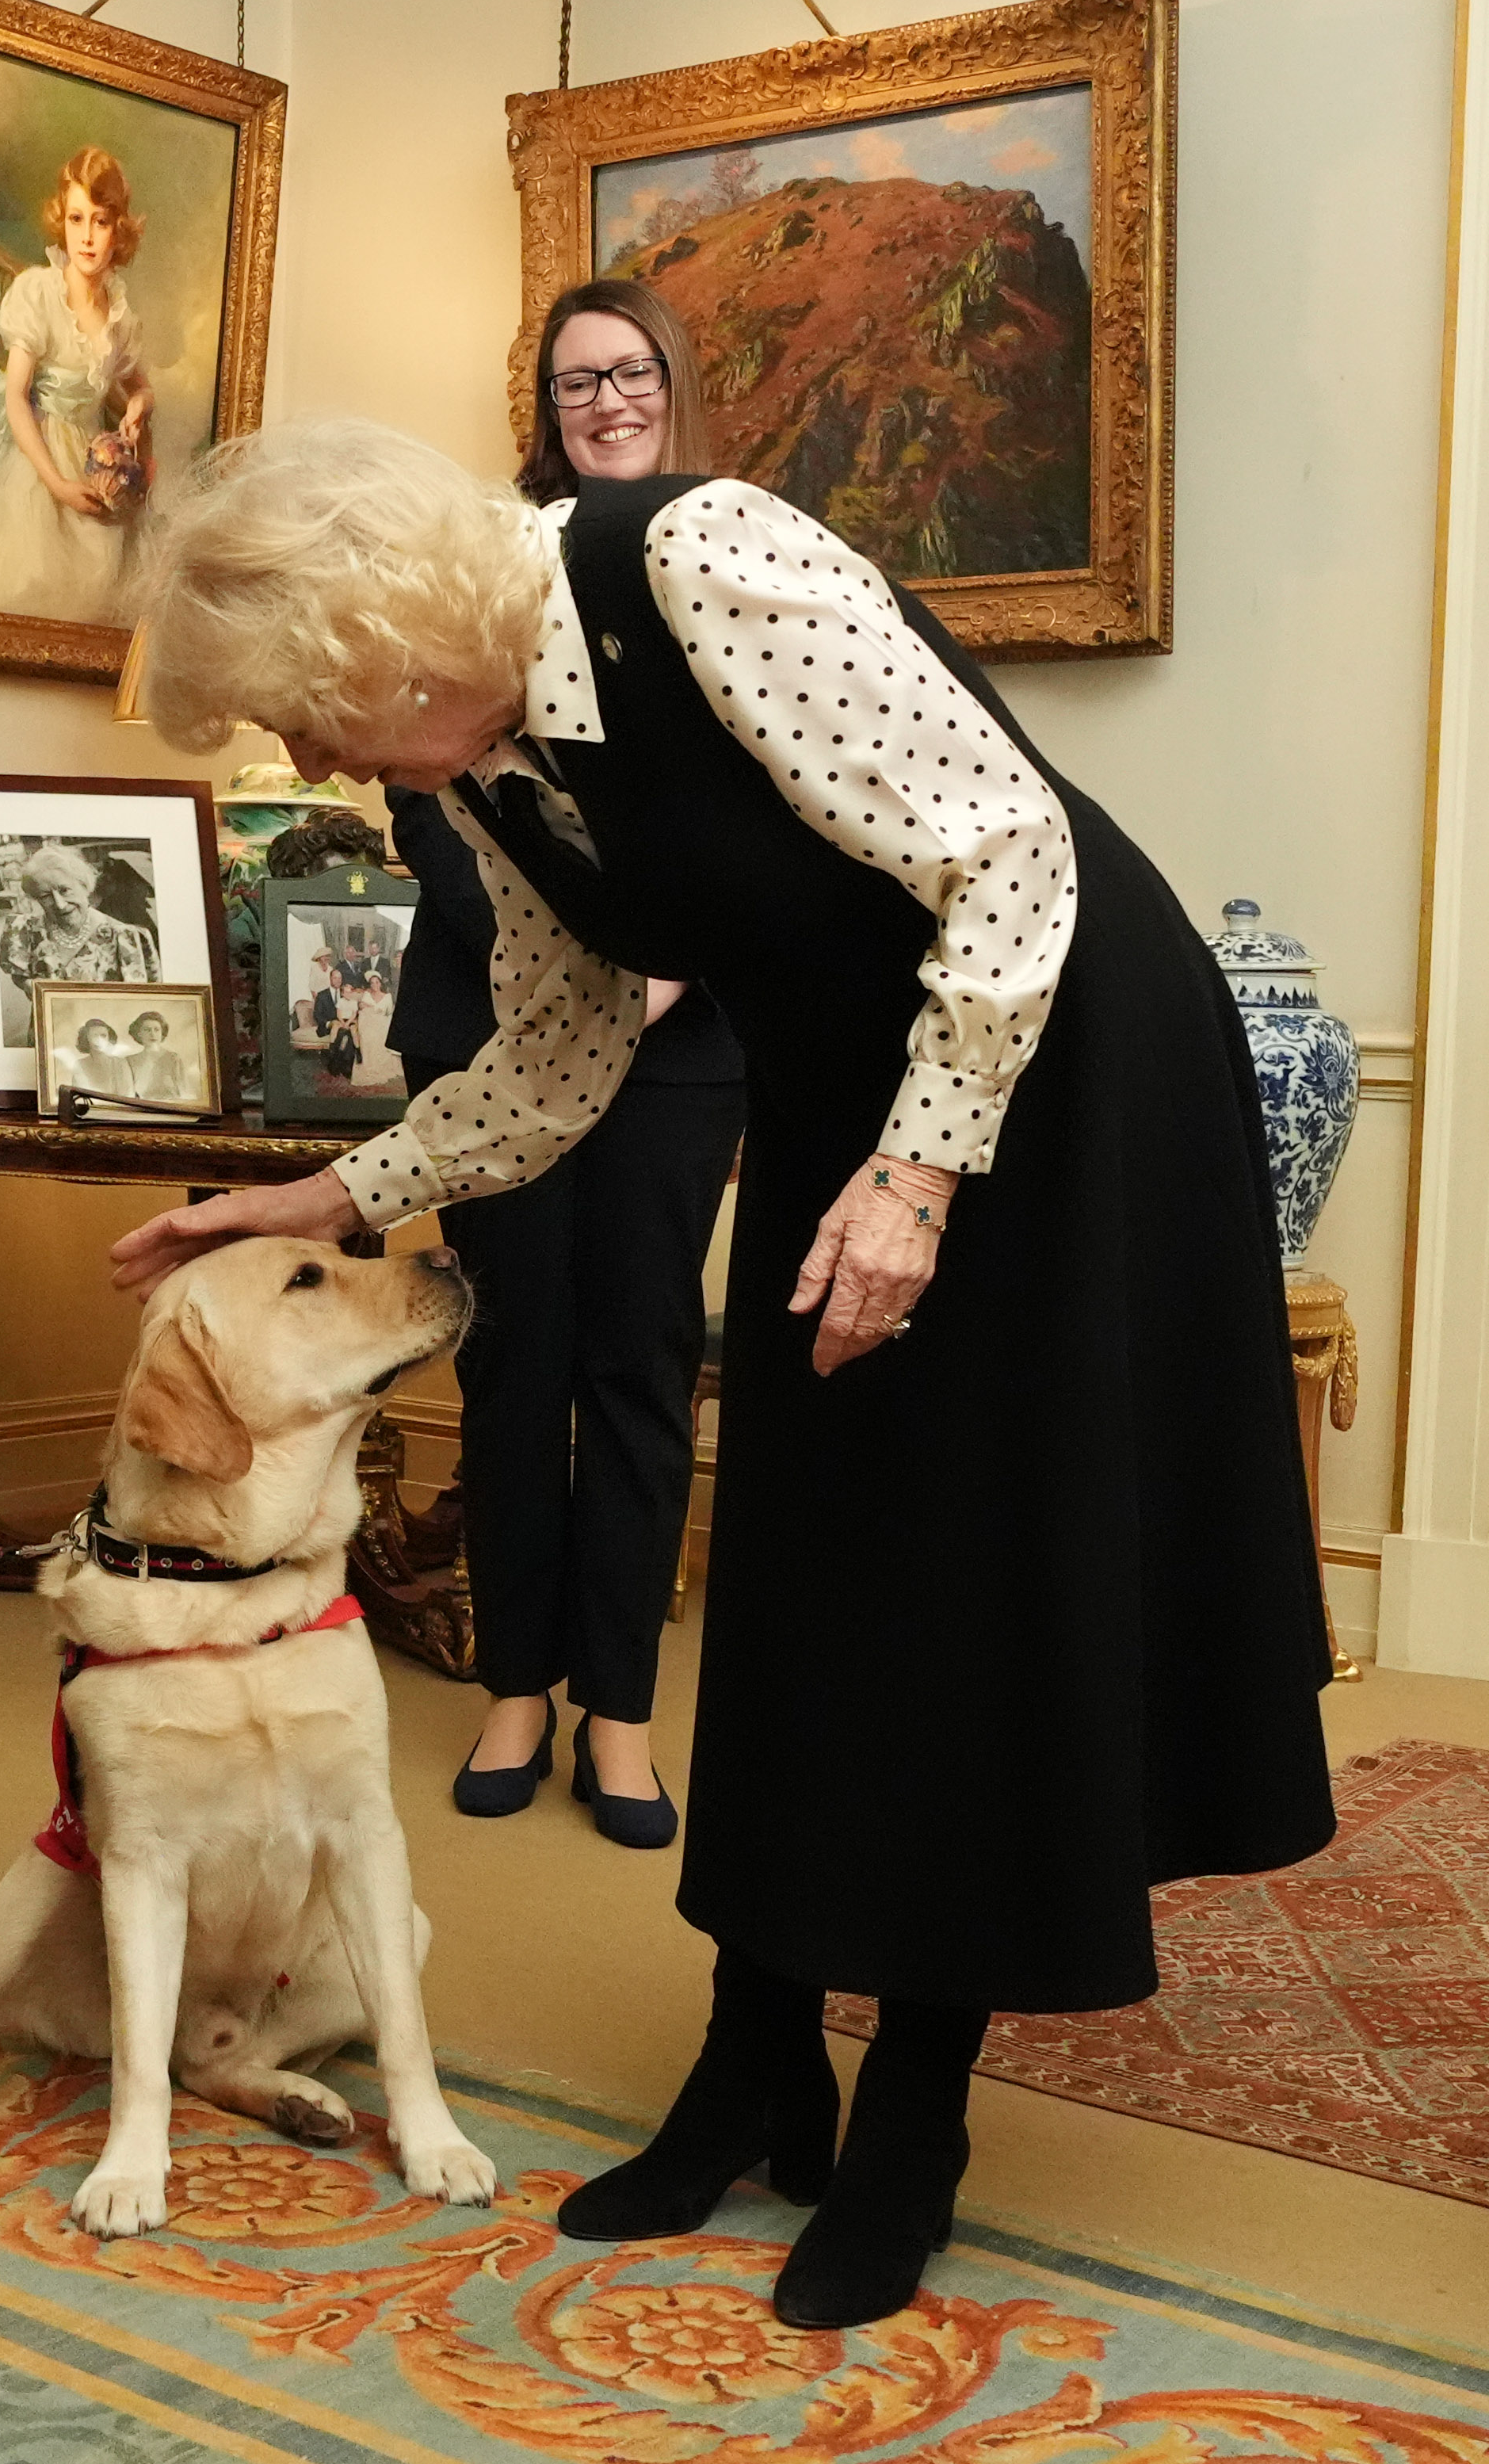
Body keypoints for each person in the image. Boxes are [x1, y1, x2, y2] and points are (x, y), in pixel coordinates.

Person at [107, 410, 1337, 2333]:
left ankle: (912, 2116)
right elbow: (549, 1065)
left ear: (371, 641)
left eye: (304, 715)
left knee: (957, 1593)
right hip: (843, 1104)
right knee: (793, 1583)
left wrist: (919, 1171)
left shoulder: (696, 568)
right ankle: (754, 2061)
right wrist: (314, 1193)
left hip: (1042, 1075)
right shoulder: (488, 765)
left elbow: (1011, 856)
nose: (312, 763)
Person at [388, 287, 746, 1847]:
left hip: (687, 1041)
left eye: (629, 370)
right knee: (512, 1360)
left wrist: (669, 963)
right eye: (573, 378)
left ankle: (619, 1709)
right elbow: (431, 781)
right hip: (491, 1025)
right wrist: (587, 956)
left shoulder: (726, 552)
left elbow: (770, 802)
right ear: (543, 402)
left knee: (639, 1367)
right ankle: (516, 1680)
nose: (604, 398)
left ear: (674, 384)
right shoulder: (490, 561)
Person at [0, 143, 153, 624]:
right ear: (61, 222)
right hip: (31, 449)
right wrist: (58, 484)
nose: (87, 237)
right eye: (77, 219)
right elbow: (16, 398)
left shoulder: (121, 314)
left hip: (90, 453)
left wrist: (136, 407)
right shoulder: (39, 293)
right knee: (26, 574)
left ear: (118, 231)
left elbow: (139, 386)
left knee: (103, 584)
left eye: (101, 222)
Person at [0, 842, 158, 995]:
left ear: (84, 885)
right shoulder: (26, 932)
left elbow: (147, 999)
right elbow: (20, 976)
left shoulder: (126, 937)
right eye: (45, 896)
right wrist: (29, 986)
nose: (60, 905)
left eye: (65, 890)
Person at [125, 1009, 192, 1101]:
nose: (152, 1034)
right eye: (147, 1030)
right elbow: (127, 1094)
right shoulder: (129, 1061)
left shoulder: (173, 1059)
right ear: (139, 1033)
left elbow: (186, 1092)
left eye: (156, 1030)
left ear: (162, 1033)